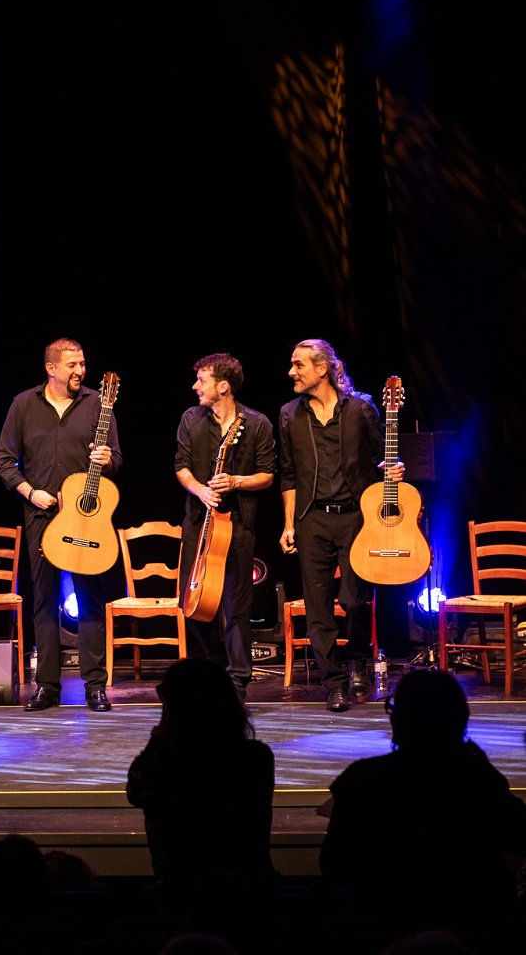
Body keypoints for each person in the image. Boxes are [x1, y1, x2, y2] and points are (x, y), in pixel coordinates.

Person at [321, 670, 526, 947]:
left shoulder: (363, 779)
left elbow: (333, 864)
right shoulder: (477, 779)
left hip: (384, 925)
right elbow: (518, 838)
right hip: (473, 926)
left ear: (398, 719)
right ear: (460, 719)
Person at [0, 338, 121, 713]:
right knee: (45, 599)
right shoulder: (24, 405)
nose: (80, 371)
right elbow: (4, 460)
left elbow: (117, 458)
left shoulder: (98, 403)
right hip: (42, 514)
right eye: (72, 365)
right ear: (51, 369)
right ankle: (46, 686)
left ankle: (95, 685)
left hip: (85, 517)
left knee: (90, 597)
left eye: (82, 363)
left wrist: (108, 459)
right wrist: (30, 492)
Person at [278, 339, 402, 712]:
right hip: (312, 518)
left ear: (322, 369)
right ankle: (333, 682)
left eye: (299, 365)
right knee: (318, 607)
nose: (292, 372)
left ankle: (358, 660)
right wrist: (288, 524)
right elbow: (288, 474)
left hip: (355, 517)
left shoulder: (361, 408)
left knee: (354, 598)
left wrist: (393, 469)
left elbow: (381, 457)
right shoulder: (289, 414)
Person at [127, 659, 276, 933]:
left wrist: (163, 728)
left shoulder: (162, 763)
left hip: (178, 895)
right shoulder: (256, 758)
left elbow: (135, 793)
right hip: (248, 895)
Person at [173, 354, 276, 703]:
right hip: (198, 523)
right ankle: (215, 663)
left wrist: (236, 481)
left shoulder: (257, 423)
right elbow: (181, 466)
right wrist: (199, 490)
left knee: (236, 607)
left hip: (237, 526)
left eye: (201, 381)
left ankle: (238, 680)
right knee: (192, 604)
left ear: (223, 387)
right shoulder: (191, 419)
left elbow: (267, 475)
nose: (195, 387)